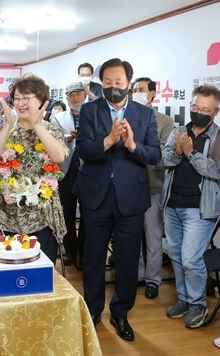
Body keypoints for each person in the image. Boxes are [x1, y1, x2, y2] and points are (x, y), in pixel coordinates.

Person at [74, 58, 161, 342]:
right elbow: (85, 151)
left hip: (131, 198)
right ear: (102, 83)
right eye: (108, 82)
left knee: (126, 258)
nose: (113, 87)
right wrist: (110, 140)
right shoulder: (89, 110)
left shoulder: (145, 115)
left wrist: (133, 146)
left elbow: (154, 155)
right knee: (94, 257)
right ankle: (93, 309)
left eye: (119, 82)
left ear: (129, 84)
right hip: (95, 196)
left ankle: (121, 313)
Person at [0, 73, 68, 265]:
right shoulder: (6, 128)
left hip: (42, 213)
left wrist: (38, 126)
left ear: (41, 100)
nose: (20, 103)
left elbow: (59, 157)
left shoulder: (51, 128)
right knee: (9, 267)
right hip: (9, 212)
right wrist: (7, 125)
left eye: (26, 98)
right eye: (17, 98)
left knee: (41, 269)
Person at [159, 84, 220, 329]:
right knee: (174, 253)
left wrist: (191, 153)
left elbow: (216, 170)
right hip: (172, 204)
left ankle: (198, 304)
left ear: (214, 111)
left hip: (200, 209)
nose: (198, 111)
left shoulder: (217, 137)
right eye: (195, 106)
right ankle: (184, 298)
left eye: (204, 109)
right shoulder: (179, 131)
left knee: (190, 259)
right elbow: (164, 160)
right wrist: (177, 152)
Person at [132, 77, 174, 299]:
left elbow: (165, 154)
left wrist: (138, 147)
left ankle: (152, 279)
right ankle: (136, 274)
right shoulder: (125, 116)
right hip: (129, 187)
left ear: (152, 94)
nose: (136, 93)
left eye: (141, 90)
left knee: (153, 235)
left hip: (153, 185)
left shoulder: (165, 121)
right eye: (134, 90)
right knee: (131, 236)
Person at [51, 82, 86, 268]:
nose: (75, 98)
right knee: (67, 213)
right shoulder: (58, 118)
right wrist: (69, 138)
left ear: (84, 95)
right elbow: (55, 139)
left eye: (78, 94)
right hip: (67, 169)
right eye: (71, 95)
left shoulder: (92, 114)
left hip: (89, 169)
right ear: (67, 98)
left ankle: (84, 252)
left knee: (88, 214)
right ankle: (71, 250)